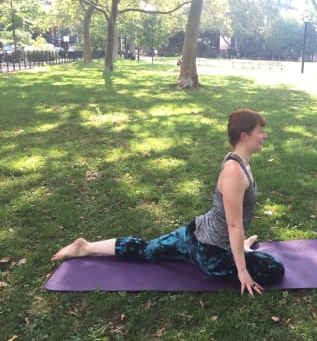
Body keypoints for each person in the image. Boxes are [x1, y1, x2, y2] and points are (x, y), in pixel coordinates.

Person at [52, 109, 285, 296]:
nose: (264, 136)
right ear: (244, 136)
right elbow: (234, 225)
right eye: (260, 131)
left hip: (196, 232)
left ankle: (86, 247)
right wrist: (242, 270)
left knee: (147, 248)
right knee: (275, 268)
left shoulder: (239, 159)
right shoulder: (235, 171)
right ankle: (84, 247)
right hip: (211, 251)